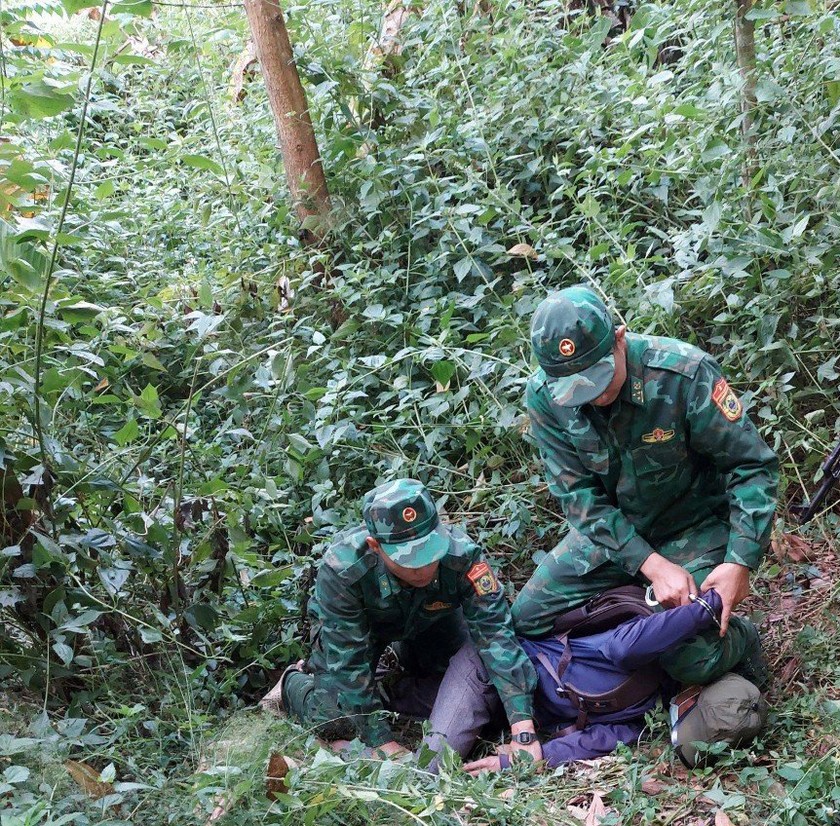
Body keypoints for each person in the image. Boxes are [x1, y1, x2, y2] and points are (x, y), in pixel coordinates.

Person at [511, 286, 779, 685]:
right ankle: (634, 620)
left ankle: (742, 638)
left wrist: (739, 562)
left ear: (620, 339)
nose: (595, 395)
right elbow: (580, 500)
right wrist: (651, 566)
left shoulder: (682, 374)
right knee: (525, 621)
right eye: (577, 388)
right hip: (613, 535)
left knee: (689, 660)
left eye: (599, 378)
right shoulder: (545, 397)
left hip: (694, 525)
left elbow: (751, 466)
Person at [266, 478, 540, 761]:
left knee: (467, 684)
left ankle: (393, 682)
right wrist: (382, 742)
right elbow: (348, 663)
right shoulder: (344, 571)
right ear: (375, 546)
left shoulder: (463, 557)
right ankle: (291, 684)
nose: (423, 567)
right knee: (336, 718)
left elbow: (495, 635)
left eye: (429, 551)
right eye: (409, 558)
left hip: (432, 622)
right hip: (364, 631)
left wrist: (522, 726)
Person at [419, 589, 768, 774]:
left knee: (407, 697)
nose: (676, 719)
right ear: (697, 693)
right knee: (429, 768)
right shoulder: (645, 652)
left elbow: (594, 740)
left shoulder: (648, 716)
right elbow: (632, 641)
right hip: (493, 667)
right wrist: (711, 604)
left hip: (500, 713)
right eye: (686, 716)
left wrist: (518, 761)